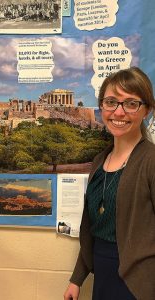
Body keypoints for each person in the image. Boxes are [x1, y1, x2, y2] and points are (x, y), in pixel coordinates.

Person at [64, 67, 155, 300]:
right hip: (103, 275)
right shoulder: (99, 161)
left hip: (139, 282)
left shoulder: (151, 161)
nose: (119, 112)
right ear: (102, 107)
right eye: (111, 102)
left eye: (131, 103)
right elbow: (92, 229)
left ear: (147, 111)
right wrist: (77, 279)